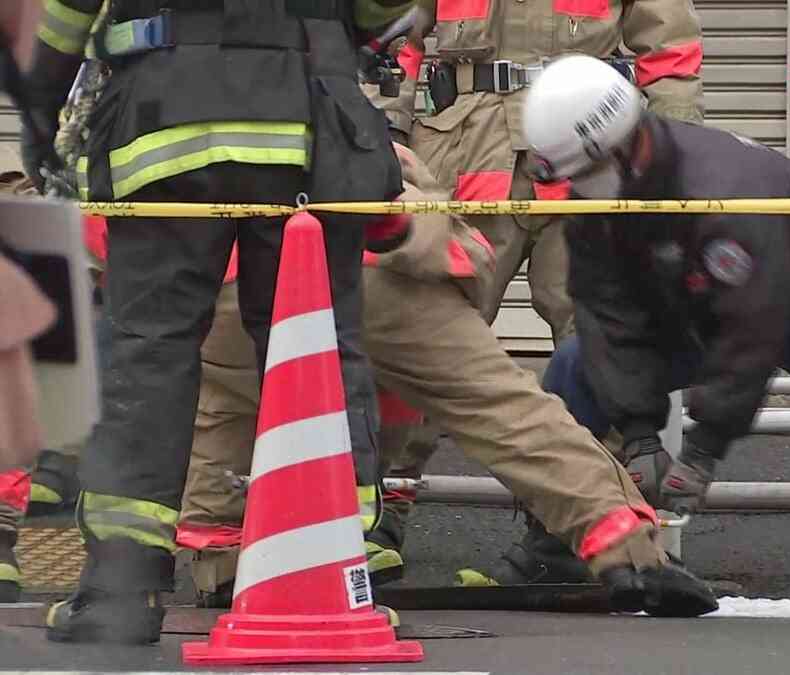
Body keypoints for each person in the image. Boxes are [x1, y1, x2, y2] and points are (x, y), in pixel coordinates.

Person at [168, 143, 719, 616]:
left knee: (230, 409)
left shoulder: (171, 90)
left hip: (241, 276)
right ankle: (627, 548)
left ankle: (228, 565)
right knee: (499, 407)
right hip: (386, 259)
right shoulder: (332, 79)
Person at [23, 0, 413, 644]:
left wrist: (41, 105)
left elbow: (64, 16)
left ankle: (120, 589)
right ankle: (341, 571)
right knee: (316, 354)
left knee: (147, 350)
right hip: (310, 125)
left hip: (165, 125)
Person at [469, 54, 790, 586]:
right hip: (700, 304)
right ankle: (554, 544)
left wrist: (702, 451)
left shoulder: (721, 191)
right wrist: (641, 434)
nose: (579, 188)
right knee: (575, 367)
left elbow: (752, 328)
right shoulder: (600, 194)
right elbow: (604, 313)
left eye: (586, 174)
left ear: (623, 145)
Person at [384, 0, 705, 347]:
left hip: (586, 154)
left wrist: (671, 149)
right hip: (468, 156)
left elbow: (670, 47)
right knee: (439, 328)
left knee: (599, 329)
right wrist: (384, 136)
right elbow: (393, 35)